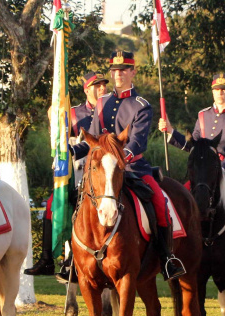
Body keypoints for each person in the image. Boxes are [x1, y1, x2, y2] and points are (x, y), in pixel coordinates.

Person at [70, 51, 186, 281]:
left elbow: (137, 143)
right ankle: (72, 260)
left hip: (133, 168)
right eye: (114, 70)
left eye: (123, 70)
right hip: (102, 172)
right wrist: (71, 151)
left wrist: (119, 160)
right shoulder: (102, 103)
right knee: (78, 205)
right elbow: (92, 139)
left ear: (133, 72)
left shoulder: (141, 105)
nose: (118, 74)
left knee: (160, 204)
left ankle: (166, 258)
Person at [25, 71, 109, 279]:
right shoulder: (72, 112)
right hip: (76, 171)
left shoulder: (109, 110)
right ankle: (47, 259)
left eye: (103, 85)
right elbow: (59, 140)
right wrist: (54, 117)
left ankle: (75, 259)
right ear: (86, 89)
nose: (102, 88)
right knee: (54, 204)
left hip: (101, 171)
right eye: (97, 85)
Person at [159, 73, 225, 179]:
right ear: (212, 92)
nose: (220, 92)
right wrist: (170, 130)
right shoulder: (203, 115)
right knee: (184, 193)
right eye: (216, 89)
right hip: (204, 172)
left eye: (224, 89)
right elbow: (193, 145)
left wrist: (222, 168)